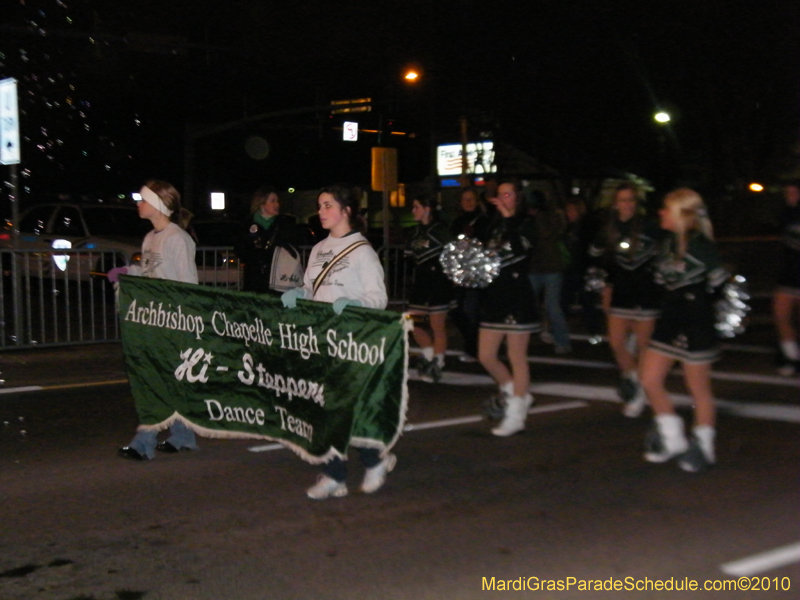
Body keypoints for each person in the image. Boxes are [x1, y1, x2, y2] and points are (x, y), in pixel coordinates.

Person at [280, 184, 394, 500]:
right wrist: (300, 295)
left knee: (345, 410)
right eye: (319, 206)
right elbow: (312, 289)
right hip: (320, 339)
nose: (321, 212)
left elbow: (379, 298)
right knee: (322, 409)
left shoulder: (362, 251)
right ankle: (335, 475)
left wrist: (355, 302)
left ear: (346, 211)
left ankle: (374, 461)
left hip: (351, 341)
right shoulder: (317, 250)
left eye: (328, 205)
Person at [109, 180, 200, 461]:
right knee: (166, 382)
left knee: (155, 384)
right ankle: (183, 436)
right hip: (154, 321)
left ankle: (143, 442)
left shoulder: (178, 239)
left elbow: (188, 286)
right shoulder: (151, 238)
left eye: (143, 199)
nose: (138, 203)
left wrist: (183, 326)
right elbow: (152, 273)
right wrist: (129, 271)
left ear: (159, 204)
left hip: (172, 324)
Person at [639, 188, 728, 472]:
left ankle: (704, 445)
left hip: (696, 320)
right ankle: (672, 436)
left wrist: (704, 309)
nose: (661, 213)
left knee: (698, 388)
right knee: (649, 379)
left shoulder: (702, 246)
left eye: (666, 209)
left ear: (682, 214)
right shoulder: (665, 242)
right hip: (670, 318)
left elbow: (719, 285)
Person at [589, 182, 663, 418]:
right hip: (620, 292)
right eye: (623, 200)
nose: (627, 204)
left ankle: (639, 394)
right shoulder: (609, 227)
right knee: (616, 343)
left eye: (631, 199)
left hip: (646, 292)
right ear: (615, 203)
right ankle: (632, 378)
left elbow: (664, 252)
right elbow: (599, 259)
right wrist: (605, 286)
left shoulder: (649, 226)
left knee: (643, 348)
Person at [478, 179, 540, 436]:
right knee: (486, 355)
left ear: (517, 198)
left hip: (517, 295)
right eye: (500, 194)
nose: (503, 198)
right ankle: (517, 393)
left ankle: (516, 415)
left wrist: (507, 218)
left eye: (508, 194)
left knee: (516, 357)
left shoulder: (527, 223)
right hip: (494, 296)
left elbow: (520, 249)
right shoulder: (493, 225)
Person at [406, 192, 455, 383]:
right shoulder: (414, 233)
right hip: (421, 282)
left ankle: (438, 362)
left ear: (427, 209)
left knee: (437, 325)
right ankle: (428, 355)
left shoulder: (441, 231)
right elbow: (411, 256)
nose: (413, 211)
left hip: (439, 281)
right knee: (412, 322)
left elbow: (454, 254)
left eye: (416, 207)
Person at [237, 185, 302, 295]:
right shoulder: (248, 225)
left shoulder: (284, 224)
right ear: (262, 204)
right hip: (254, 280)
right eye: (272, 201)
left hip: (278, 280)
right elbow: (239, 249)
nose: (277, 204)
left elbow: (293, 247)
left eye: (277, 201)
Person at [527, 190, 571, 354]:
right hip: (535, 266)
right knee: (529, 303)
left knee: (552, 305)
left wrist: (537, 217)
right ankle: (534, 333)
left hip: (551, 266)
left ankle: (562, 341)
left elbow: (548, 233)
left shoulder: (550, 215)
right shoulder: (529, 217)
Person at [449, 187, 490, 361]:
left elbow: (486, 243)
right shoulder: (457, 222)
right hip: (460, 270)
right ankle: (475, 340)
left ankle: (473, 349)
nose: (468, 202)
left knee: (471, 309)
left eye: (471, 198)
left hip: (477, 270)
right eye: (465, 199)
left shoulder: (484, 221)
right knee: (456, 309)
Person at [561, 196, 604, 343]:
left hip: (585, 268)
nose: (569, 214)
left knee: (588, 301)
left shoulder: (587, 226)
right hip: (573, 268)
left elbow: (592, 248)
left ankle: (594, 332)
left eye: (572, 210)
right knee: (565, 298)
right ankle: (563, 331)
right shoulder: (570, 227)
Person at [773, 180, 800, 376]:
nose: (790, 195)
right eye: (787, 192)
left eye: (794, 192)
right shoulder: (786, 213)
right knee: (782, 315)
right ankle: (791, 357)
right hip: (789, 273)